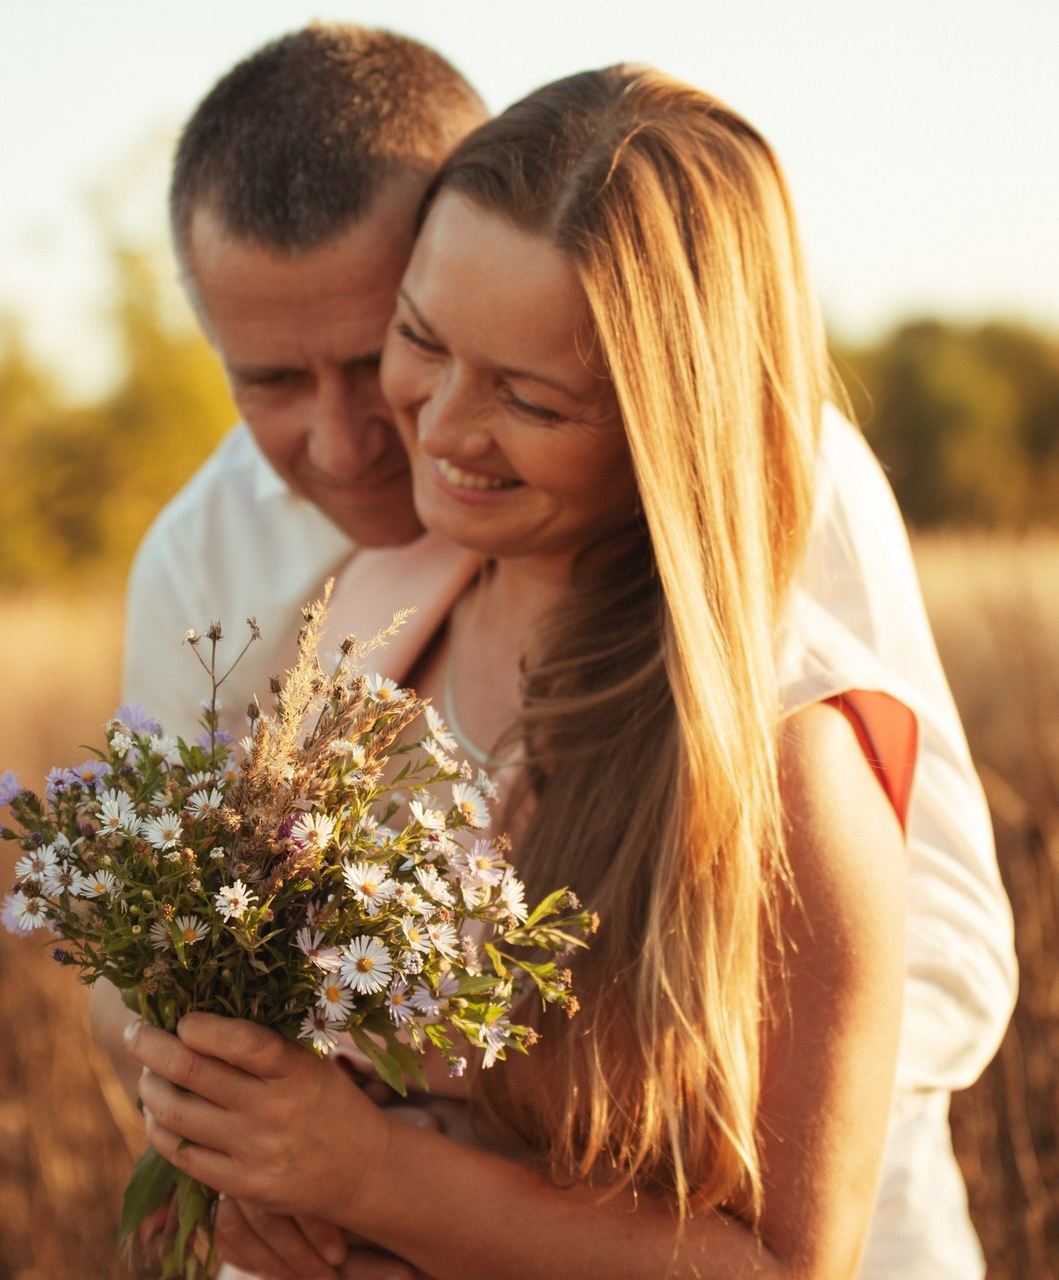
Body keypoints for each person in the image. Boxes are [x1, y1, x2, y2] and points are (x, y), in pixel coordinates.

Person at [106, 26, 1015, 1278]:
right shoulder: (352, 604)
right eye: (421, 341)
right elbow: (189, 963)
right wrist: (252, 1148)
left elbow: (929, 966)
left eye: (528, 395)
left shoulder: (786, 718)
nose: (398, 430)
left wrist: (432, 1171)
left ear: (661, 421)